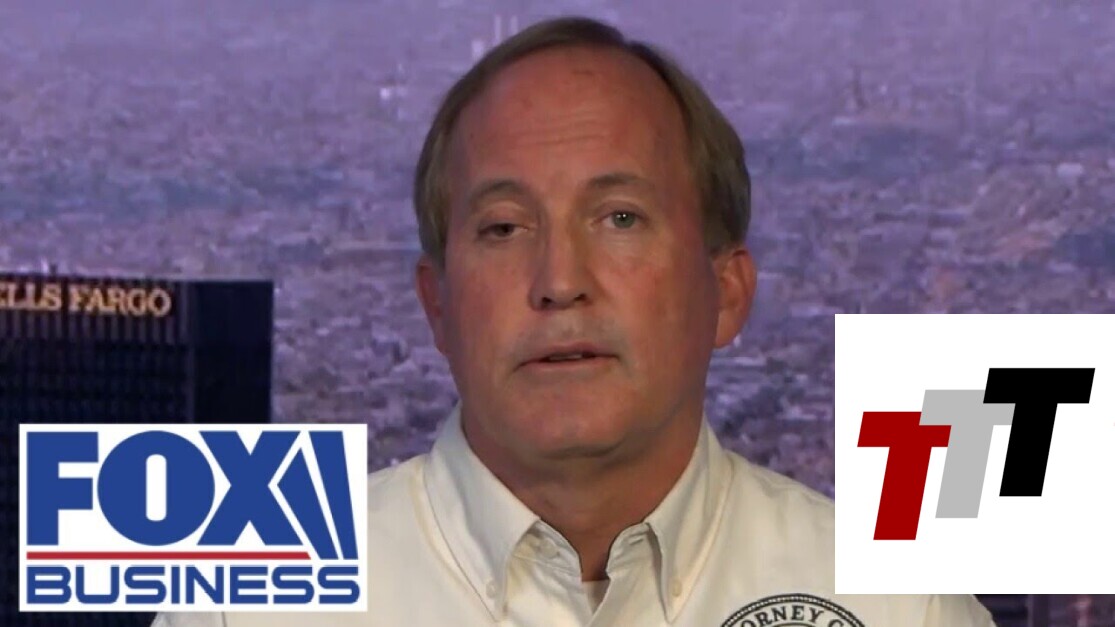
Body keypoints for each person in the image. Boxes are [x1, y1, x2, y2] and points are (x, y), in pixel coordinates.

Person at [155, 16, 996, 627]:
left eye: (620, 218)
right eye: (502, 228)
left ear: (726, 291)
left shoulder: (897, 607)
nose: (559, 281)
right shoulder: (245, 609)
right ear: (437, 304)